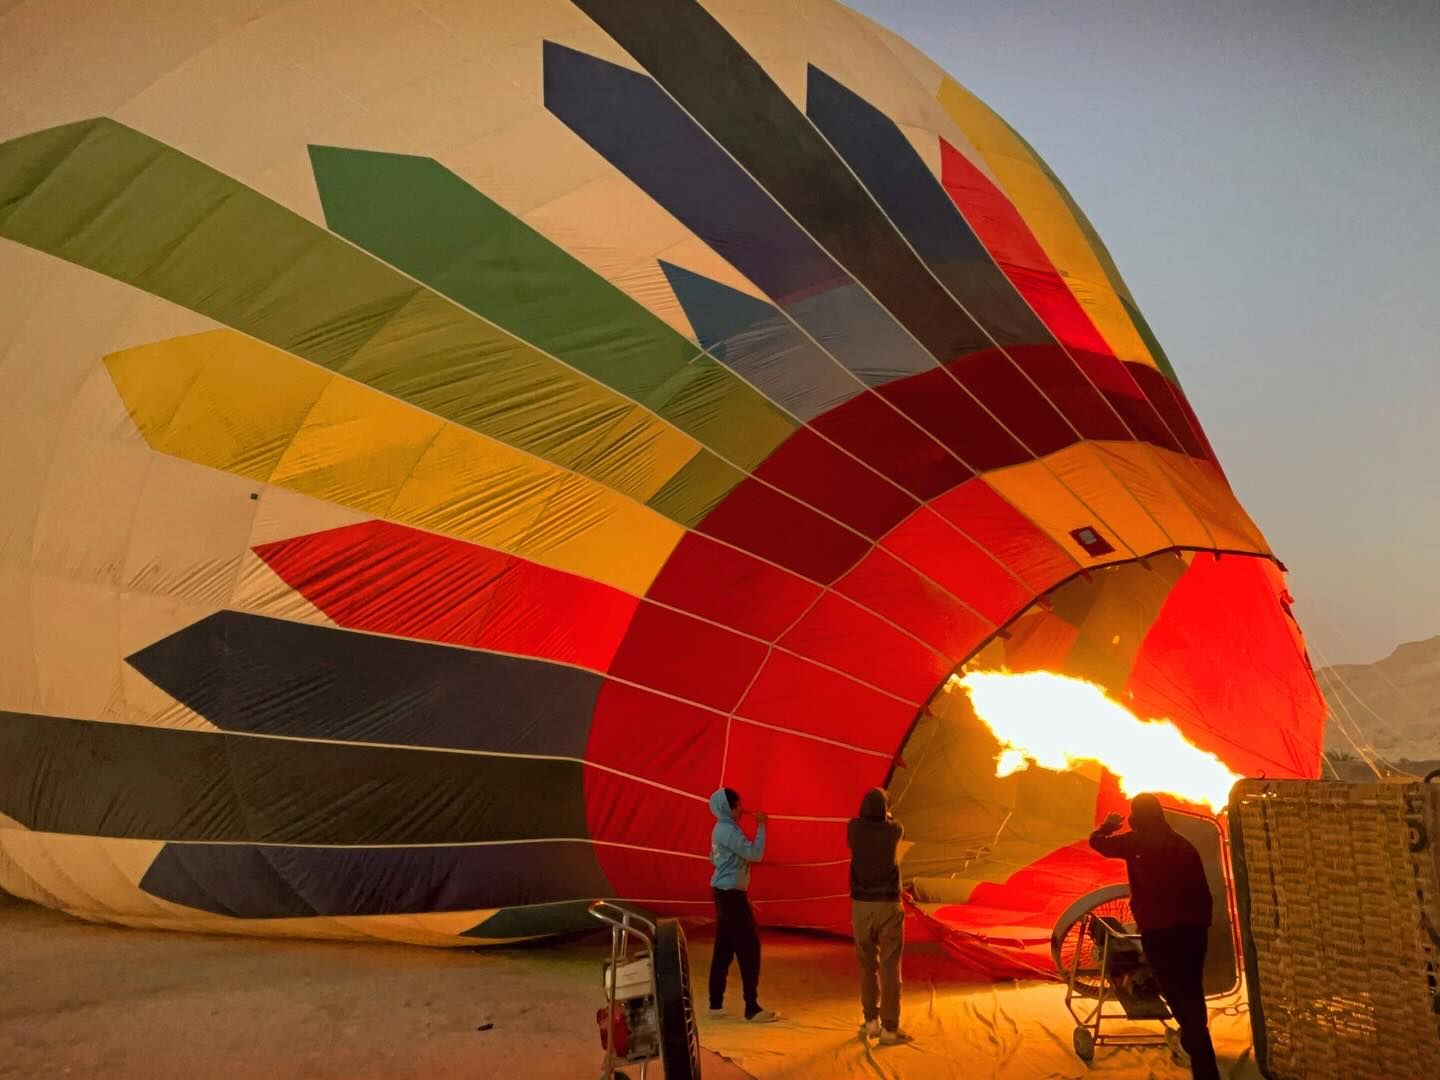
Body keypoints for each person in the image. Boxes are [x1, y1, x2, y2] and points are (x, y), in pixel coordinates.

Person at [1089, 793, 1220, 1080]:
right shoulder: (1183, 843)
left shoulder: (1137, 842)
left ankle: (1205, 1067)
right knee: (1191, 992)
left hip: (1161, 932)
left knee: (1178, 997)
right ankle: (1194, 1047)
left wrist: (1107, 826)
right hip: (1194, 930)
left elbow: (1097, 843)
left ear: (1136, 817)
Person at [707, 787, 777, 1022]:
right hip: (731, 896)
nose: (741, 808)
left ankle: (715, 1004)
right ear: (730, 807)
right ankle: (752, 1007)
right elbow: (755, 854)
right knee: (749, 948)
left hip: (724, 894)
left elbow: (713, 858)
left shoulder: (720, 829)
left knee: (724, 949)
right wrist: (762, 825)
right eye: (738, 804)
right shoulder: (728, 831)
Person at [848, 787, 911, 1045]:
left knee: (866, 965)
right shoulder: (894, 830)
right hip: (888, 905)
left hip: (860, 907)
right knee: (889, 967)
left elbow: (862, 820)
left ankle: (871, 1021)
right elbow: (894, 822)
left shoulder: (853, 829)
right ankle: (889, 1029)